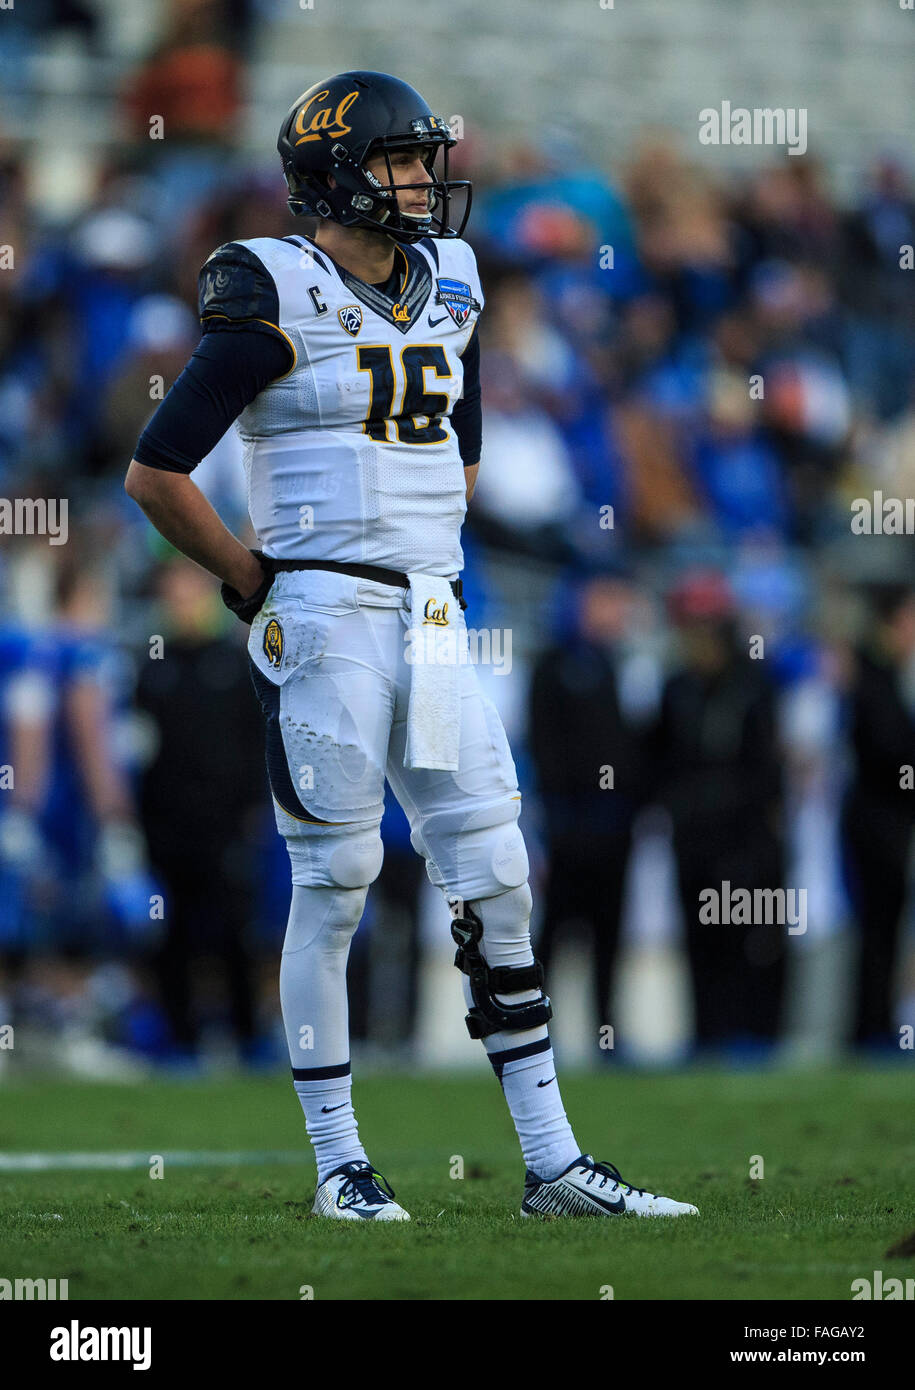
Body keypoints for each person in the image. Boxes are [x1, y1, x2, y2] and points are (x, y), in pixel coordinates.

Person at [125, 70, 697, 1221]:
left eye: (425, 159)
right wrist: (248, 576)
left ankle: (551, 1162)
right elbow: (154, 469)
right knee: (335, 884)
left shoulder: (454, 285)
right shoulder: (273, 286)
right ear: (338, 175)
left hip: (431, 612)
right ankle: (341, 1163)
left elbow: (460, 449)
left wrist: (413, 540)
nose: (426, 181)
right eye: (401, 160)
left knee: (495, 870)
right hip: (327, 615)